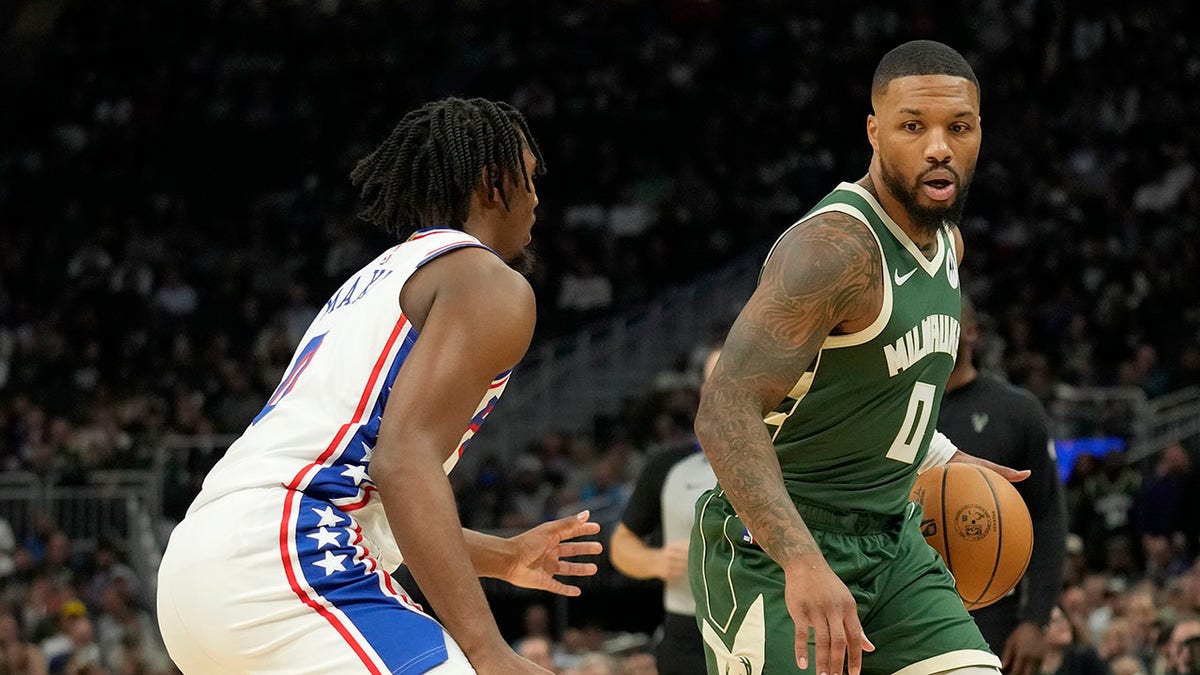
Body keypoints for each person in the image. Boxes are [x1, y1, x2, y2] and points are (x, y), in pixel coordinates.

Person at [157, 97, 604, 674]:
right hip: (287, 559)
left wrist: (506, 556)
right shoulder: (487, 282)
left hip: (199, 571)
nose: (538, 198)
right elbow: (402, 464)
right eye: (530, 176)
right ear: (495, 183)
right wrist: (487, 650)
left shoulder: (375, 279)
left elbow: (372, 499)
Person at [690, 40, 1029, 675]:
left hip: (891, 538)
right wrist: (801, 560)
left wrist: (942, 455)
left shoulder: (947, 243)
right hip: (775, 544)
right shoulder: (835, 249)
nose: (938, 147)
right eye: (912, 126)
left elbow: (878, 380)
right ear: (873, 132)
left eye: (959, 127)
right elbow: (723, 410)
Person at [937, 293, 1068, 675]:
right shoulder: (897, 408)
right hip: (906, 601)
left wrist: (1037, 620)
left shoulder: (1018, 410)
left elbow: (1047, 518)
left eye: (946, 319)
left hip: (996, 609)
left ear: (971, 332)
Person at [609, 347, 720, 675]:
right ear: (703, 392)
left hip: (772, 624)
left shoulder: (791, 463)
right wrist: (654, 561)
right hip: (687, 636)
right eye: (718, 380)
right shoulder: (669, 467)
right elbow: (621, 545)